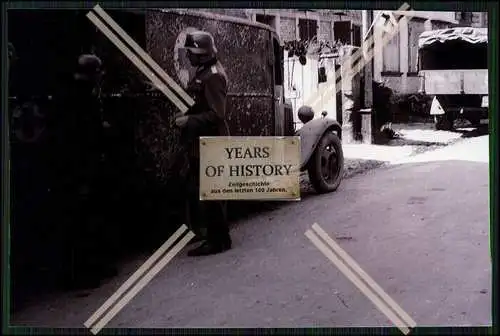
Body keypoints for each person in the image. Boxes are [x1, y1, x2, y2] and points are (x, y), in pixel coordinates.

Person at [51, 54, 117, 289]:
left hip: (80, 166)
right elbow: (83, 134)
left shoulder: (74, 94)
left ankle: (93, 268)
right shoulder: (81, 98)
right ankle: (85, 273)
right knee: (84, 221)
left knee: (89, 219)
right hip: (80, 167)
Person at [175, 30, 232, 257]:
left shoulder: (214, 76)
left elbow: (218, 114)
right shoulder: (204, 71)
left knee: (211, 193)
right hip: (202, 141)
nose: (188, 56)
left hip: (212, 141)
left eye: (191, 52)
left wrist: (189, 119)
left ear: (201, 53)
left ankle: (216, 241)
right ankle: (220, 238)